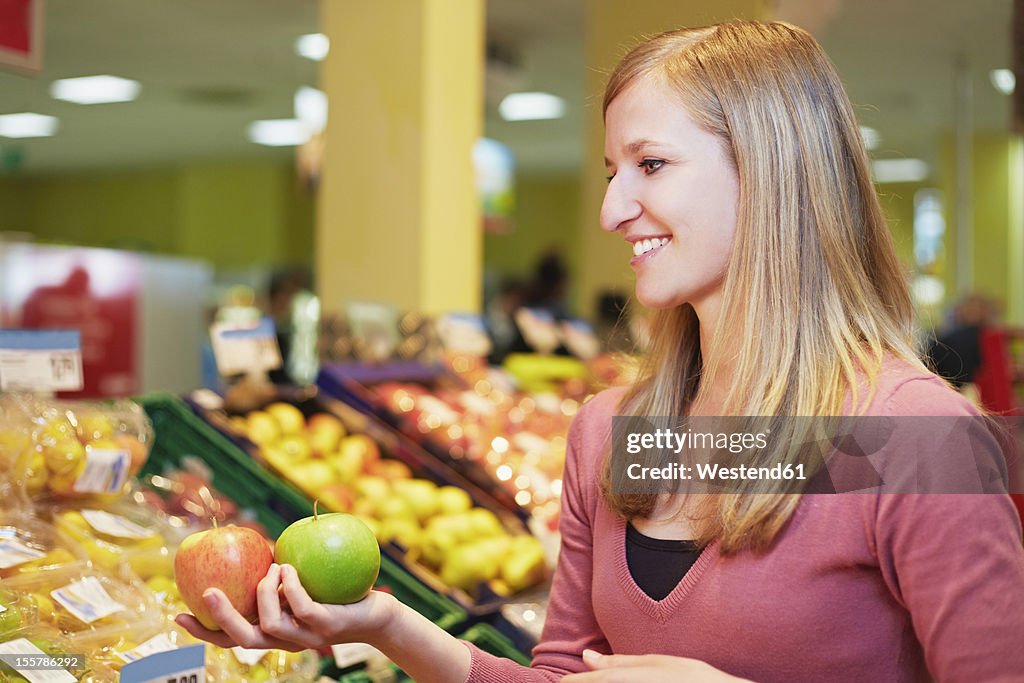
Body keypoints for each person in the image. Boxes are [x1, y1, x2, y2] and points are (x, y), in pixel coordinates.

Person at [177, 21, 1024, 682]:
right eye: (613, 170)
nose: (615, 209)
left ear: (771, 174)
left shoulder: (918, 437)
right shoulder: (611, 432)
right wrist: (389, 625)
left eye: (651, 164)